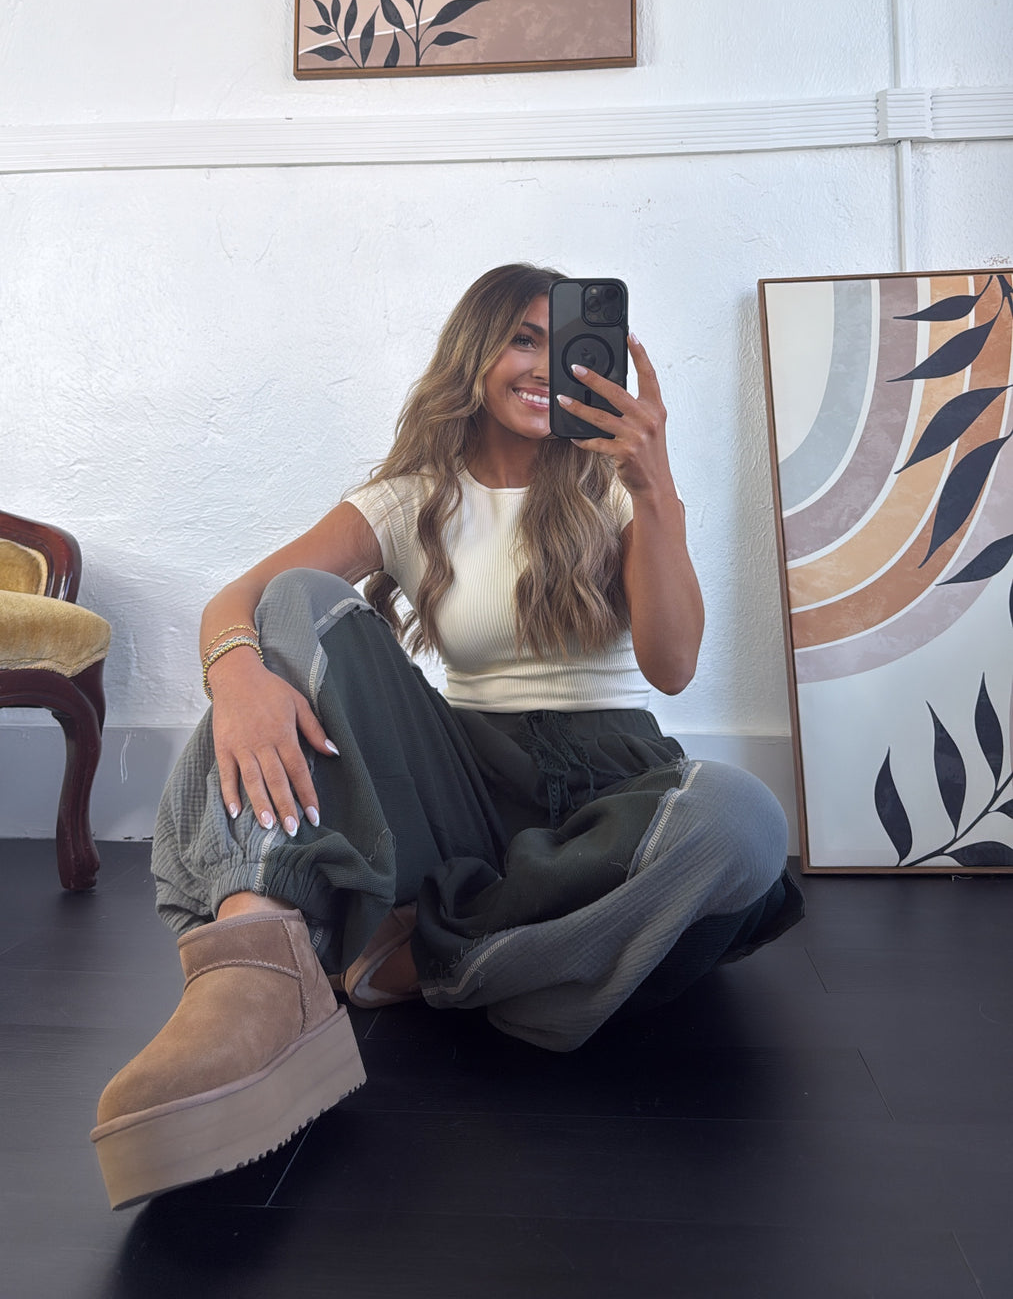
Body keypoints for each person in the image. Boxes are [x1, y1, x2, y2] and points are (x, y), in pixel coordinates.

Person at [91, 263, 800, 1209]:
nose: (543, 365)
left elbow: (672, 666)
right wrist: (238, 677)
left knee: (742, 819)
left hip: (615, 792)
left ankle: (439, 961)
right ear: (474, 354)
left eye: (563, 343)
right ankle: (254, 960)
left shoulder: (616, 485)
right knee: (298, 600)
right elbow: (246, 598)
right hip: (461, 782)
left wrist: (655, 486)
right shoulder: (412, 497)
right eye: (521, 340)